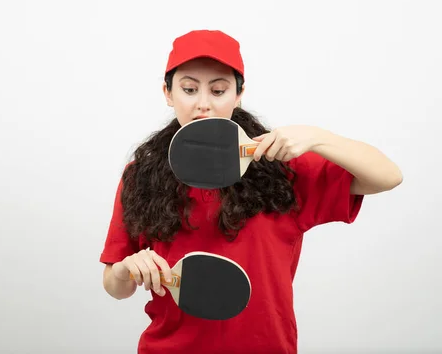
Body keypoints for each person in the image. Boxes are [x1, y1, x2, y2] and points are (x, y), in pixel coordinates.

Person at [99, 30, 402, 354]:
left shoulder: (282, 167)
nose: (203, 103)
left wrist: (317, 138)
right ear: (168, 93)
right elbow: (115, 286)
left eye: (218, 90)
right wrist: (124, 270)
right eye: (189, 89)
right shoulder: (140, 177)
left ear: (238, 94)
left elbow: (388, 176)